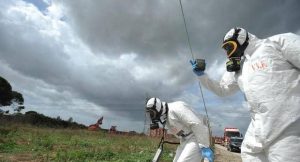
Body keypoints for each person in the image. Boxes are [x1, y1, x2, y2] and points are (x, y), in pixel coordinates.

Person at [190, 27, 300, 162]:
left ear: (241, 39)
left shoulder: (276, 43)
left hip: (287, 125)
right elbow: (222, 89)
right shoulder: (239, 69)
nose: (228, 53)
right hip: (259, 127)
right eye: (225, 49)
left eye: (229, 47)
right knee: (248, 153)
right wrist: (202, 76)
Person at [145, 97, 214, 162]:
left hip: (196, 136)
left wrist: (204, 146)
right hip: (185, 139)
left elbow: (196, 124)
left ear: (157, 108)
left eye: (152, 113)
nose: (151, 116)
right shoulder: (165, 117)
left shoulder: (177, 108)